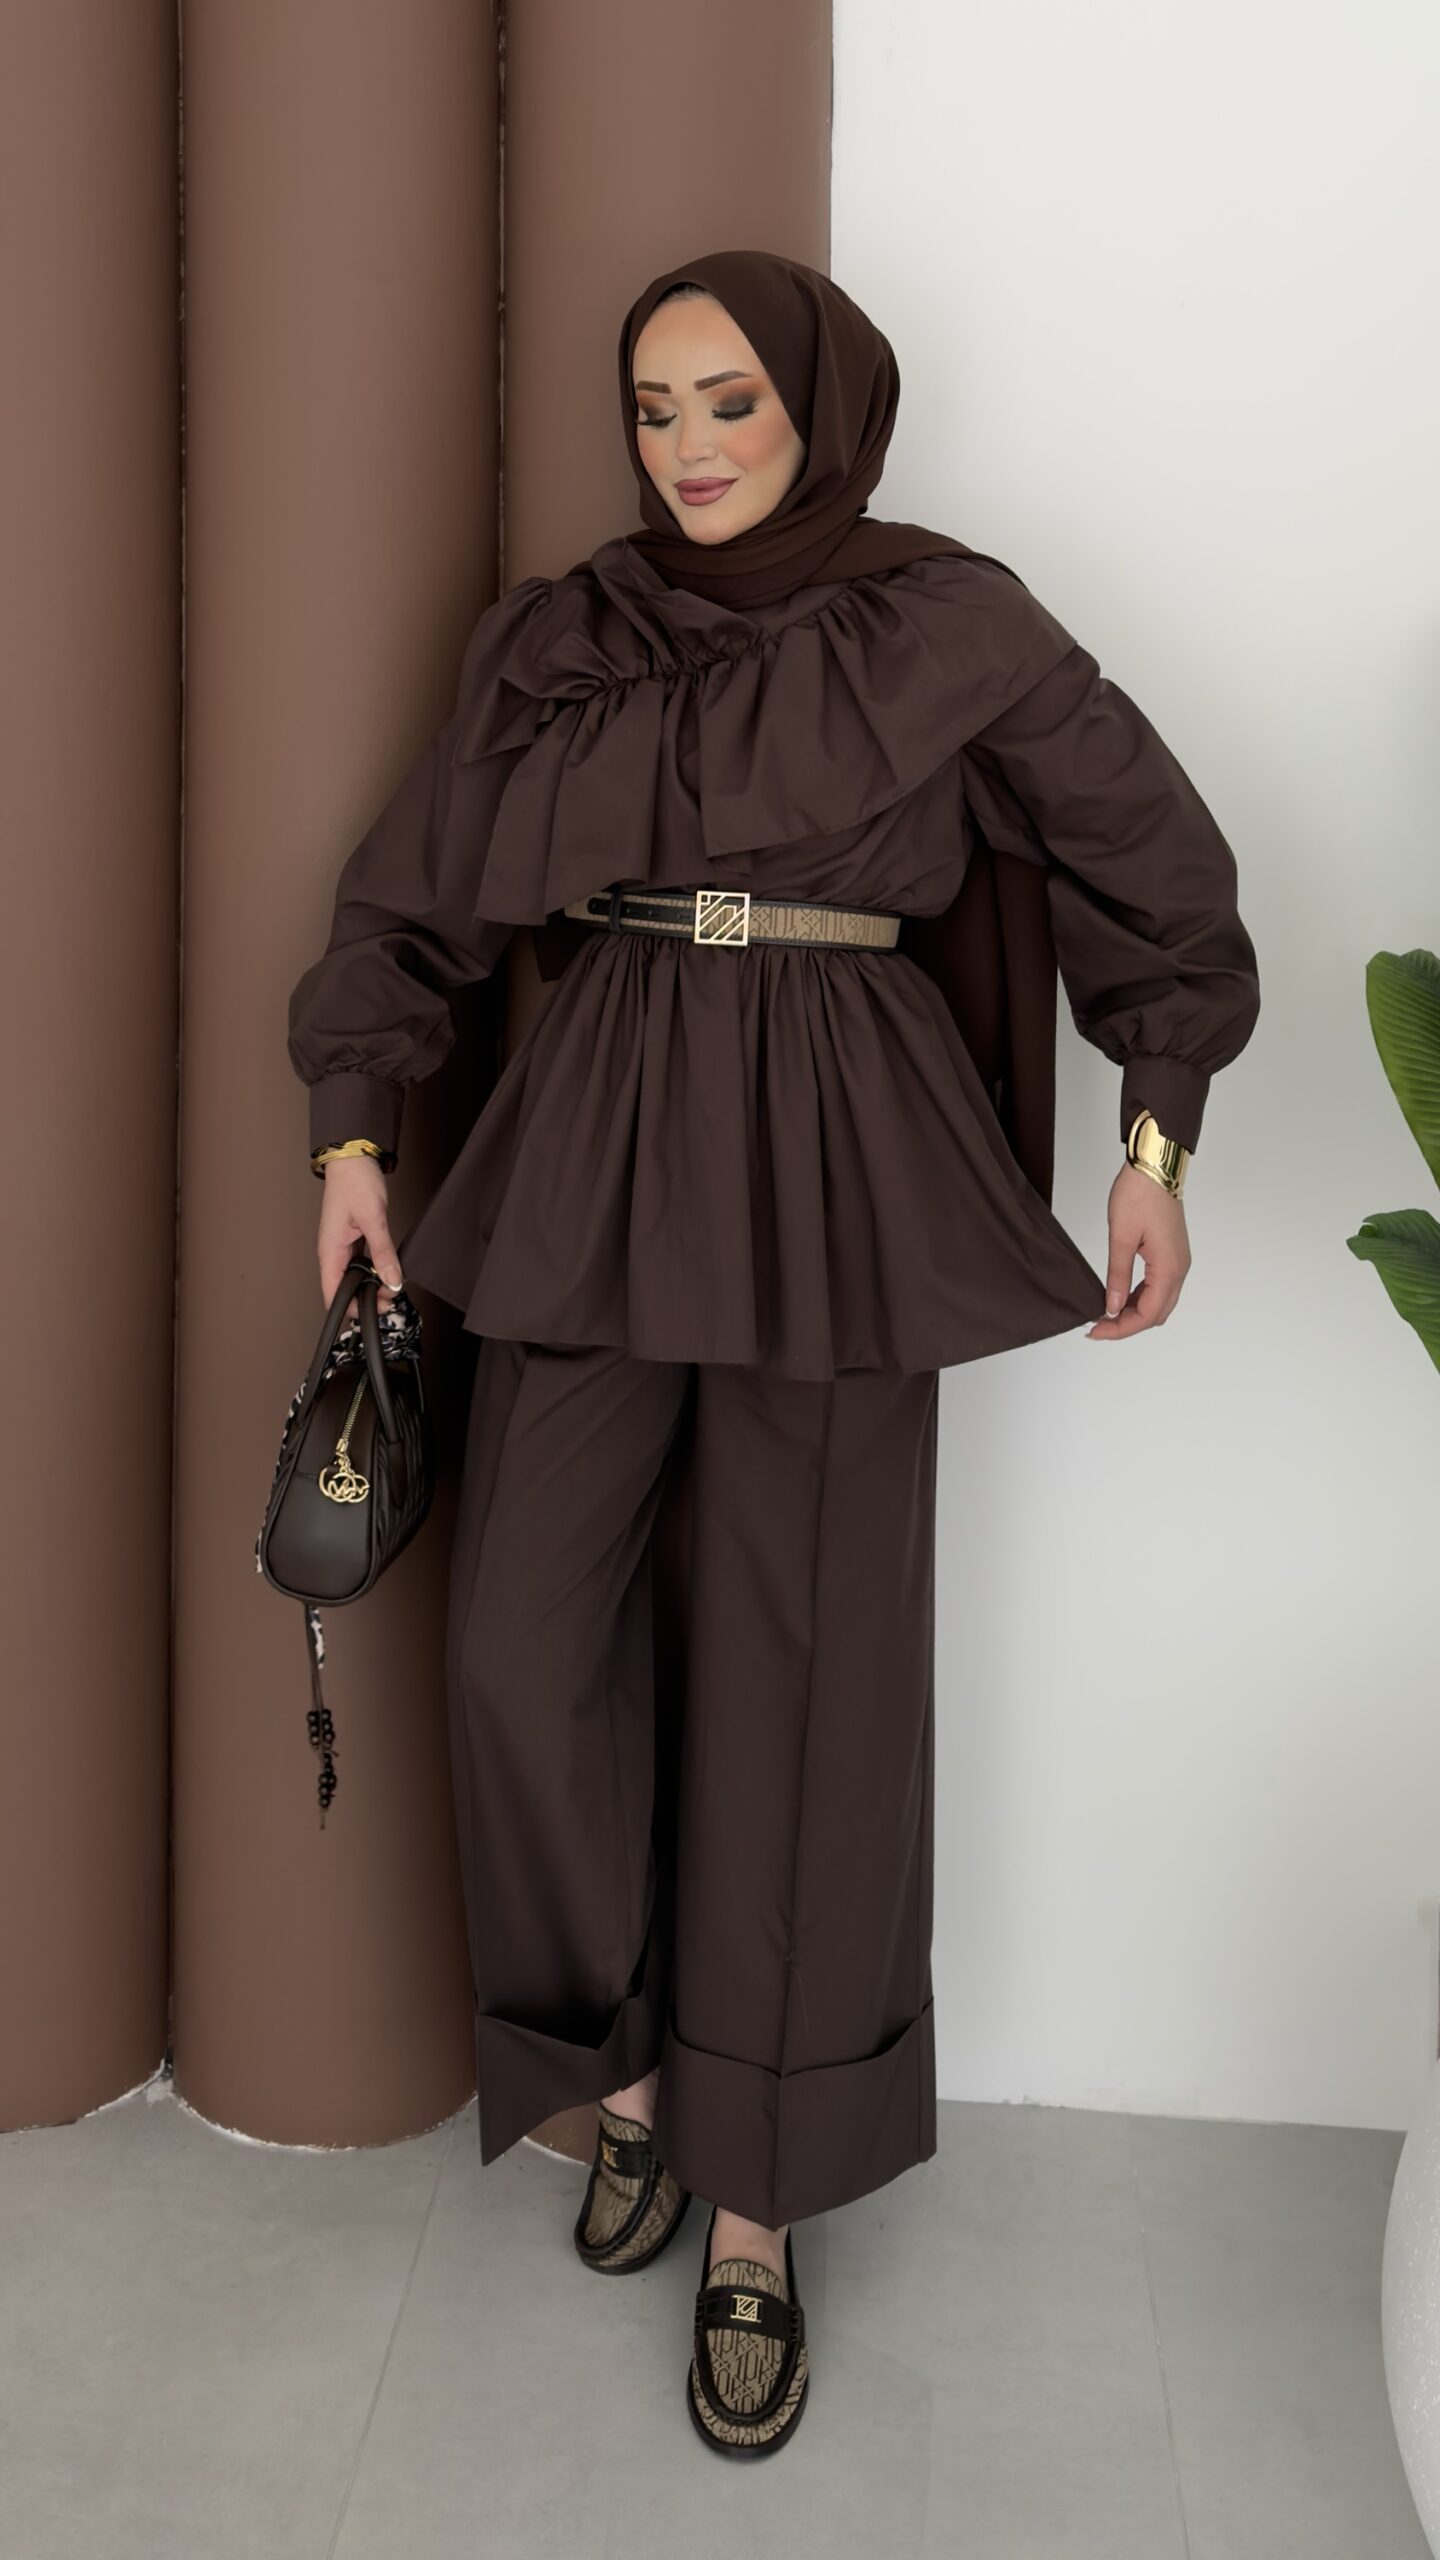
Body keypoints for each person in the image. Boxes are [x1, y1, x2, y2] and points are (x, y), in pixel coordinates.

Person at [286, 247, 1260, 2457]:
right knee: (522, 1643)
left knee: (810, 1680)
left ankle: (761, 2199)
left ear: (823, 404)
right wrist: (352, 1133)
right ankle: (629, 2073)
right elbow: (413, 896)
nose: (691, 446)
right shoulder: (567, 637)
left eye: (730, 399)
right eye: (655, 407)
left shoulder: (949, 622)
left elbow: (1155, 867)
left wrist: (1156, 1140)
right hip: (601, 1128)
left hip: (839, 1148)